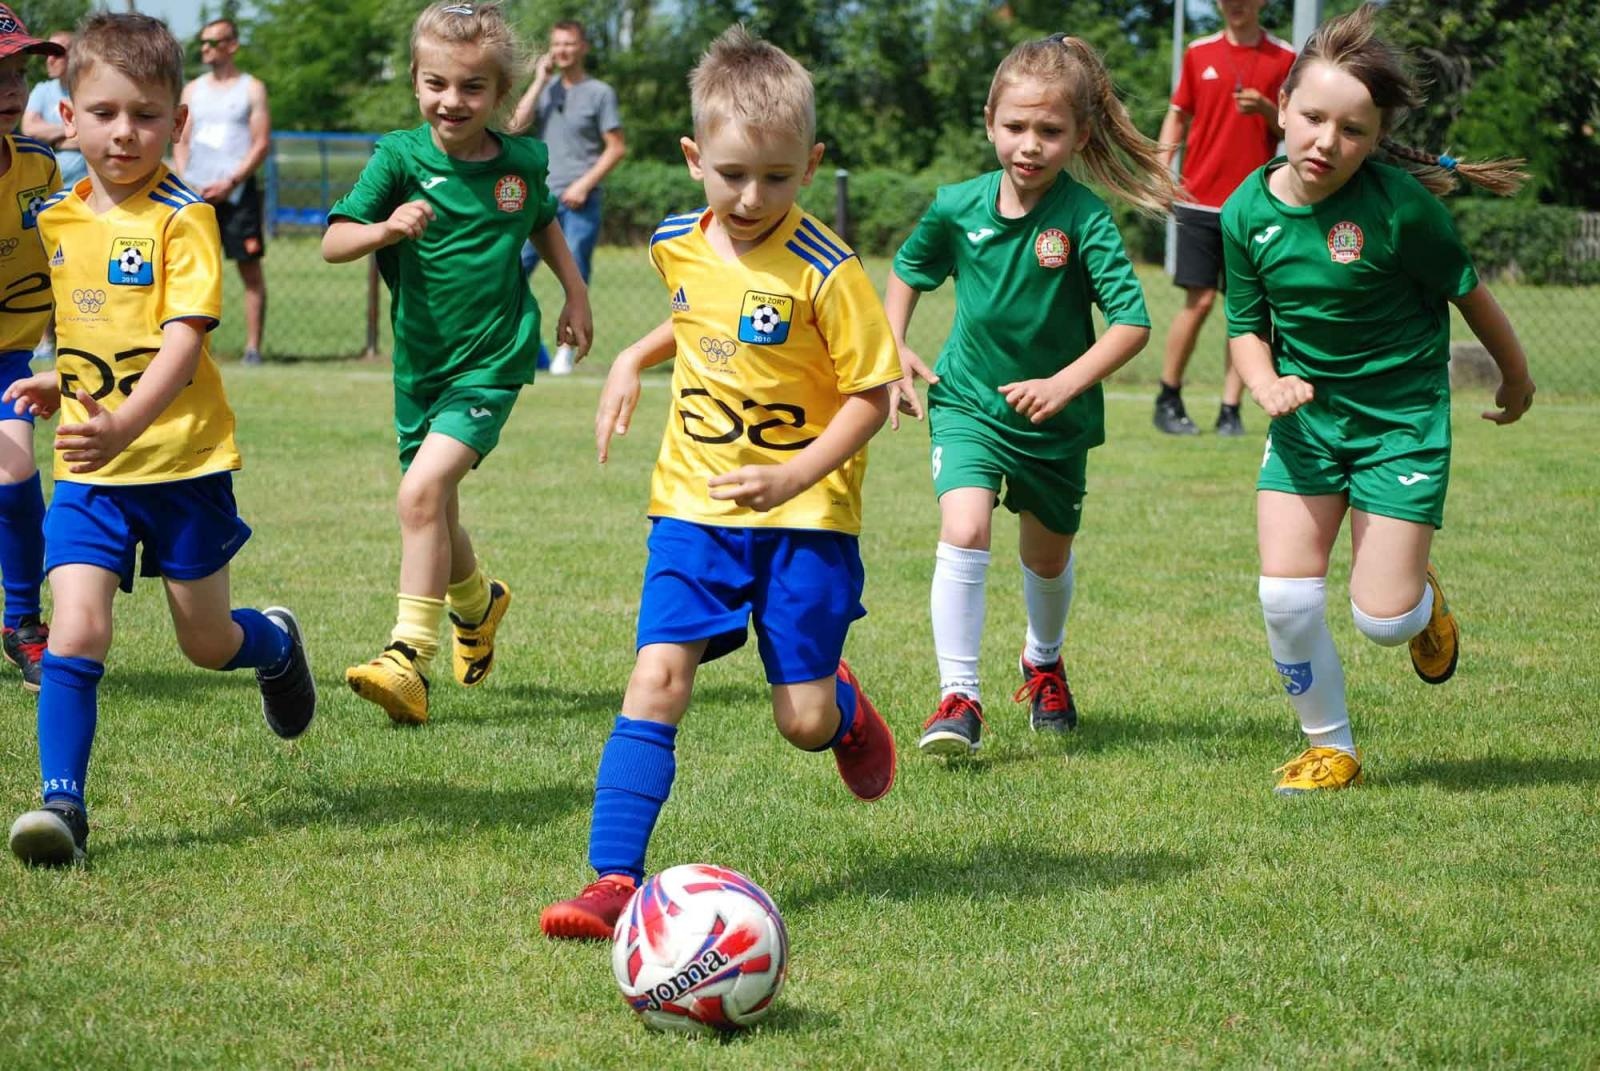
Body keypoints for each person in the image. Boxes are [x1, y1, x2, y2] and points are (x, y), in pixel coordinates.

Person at [539, 25, 900, 941]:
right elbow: (702, 318)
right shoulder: (676, 242)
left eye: (777, 178)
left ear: (811, 164)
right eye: (732, 174)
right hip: (693, 503)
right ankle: (613, 879)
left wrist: (795, 472)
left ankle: (843, 709)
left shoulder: (829, 271)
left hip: (807, 514)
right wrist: (632, 356)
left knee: (800, 720)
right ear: (694, 157)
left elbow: (873, 393)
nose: (751, 198)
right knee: (657, 673)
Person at [4, 12, 317, 867]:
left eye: (145, 115)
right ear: (67, 117)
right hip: (91, 471)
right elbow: (87, 328)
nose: (124, 132)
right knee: (75, 632)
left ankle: (276, 644)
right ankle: (62, 806)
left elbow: (181, 345)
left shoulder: (185, 218)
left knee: (206, 643)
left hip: (182, 464)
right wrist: (61, 381)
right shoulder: (58, 216)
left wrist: (123, 422)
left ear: (177, 122)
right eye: (104, 113)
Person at [1222, 4, 1534, 795]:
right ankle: (1332, 749)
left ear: (1375, 139)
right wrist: (1264, 382)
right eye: (1314, 118)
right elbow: (1245, 326)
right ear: (1282, 107)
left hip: (1400, 425)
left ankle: (1423, 600)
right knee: (1284, 596)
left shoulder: (1401, 208)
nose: (1327, 141)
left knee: (1383, 619)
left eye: (1352, 130)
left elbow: (1471, 295)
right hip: (1306, 424)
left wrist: (1516, 375)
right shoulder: (1244, 212)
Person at [887, 34, 1177, 757]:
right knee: (964, 529)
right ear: (990, 122)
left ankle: (1043, 660)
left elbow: (1133, 323)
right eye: (1015, 126)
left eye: (1049, 130)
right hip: (969, 404)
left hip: (1055, 421)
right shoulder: (956, 206)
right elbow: (908, 271)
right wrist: (893, 347)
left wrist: (1063, 384)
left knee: (1046, 560)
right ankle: (959, 696)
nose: (1030, 145)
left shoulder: (1084, 219)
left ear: (1080, 136)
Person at [322, 1, 591, 726]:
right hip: (421, 368)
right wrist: (385, 227)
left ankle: (407, 656)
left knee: (419, 495)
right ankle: (477, 602)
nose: (452, 100)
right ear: (415, 80)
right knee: (435, 506)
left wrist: (575, 292)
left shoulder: (519, 164)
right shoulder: (398, 158)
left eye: (473, 87)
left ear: (500, 93)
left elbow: (542, 220)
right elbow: (334, 242)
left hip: (491, 363)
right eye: (436, 83)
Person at [1154, 0, 1294, 437]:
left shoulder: (1285, 57)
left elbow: (1296, 126)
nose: (1235, 4)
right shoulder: (1199, 52)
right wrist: (1161, 172)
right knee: (1199, 302)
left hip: (1255, 206)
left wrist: (1267, 110)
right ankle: (1168, 397)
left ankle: (1230, 409)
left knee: (1246, 310)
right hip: (1197, 201)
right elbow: (1177, 116)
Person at [0, 9, 64, 692]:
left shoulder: (39, 167)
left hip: (7, 360)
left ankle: (22, 623)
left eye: (17, 72)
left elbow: (65, 261)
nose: (12, 88)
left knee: (15, 475)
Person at [507, 19, 624, 375]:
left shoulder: (600, 93)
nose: (562, 50)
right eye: (557, 44)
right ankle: (524, 348)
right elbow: (513, 127)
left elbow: (616, 148)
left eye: (569, 43)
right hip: (539, 201)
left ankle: (565, 353)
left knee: (575, 277)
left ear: (583, 47)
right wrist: (539, 81)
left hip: (580, 203)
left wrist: (584, 185)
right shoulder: (545, 90)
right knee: (511, 269)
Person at [174, 18, 271, 366]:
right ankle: (193, 350)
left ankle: (252, 349)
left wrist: (230, 182)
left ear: (232, 46)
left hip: (237, 195)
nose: (206, 49)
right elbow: (180, 140)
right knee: (193, 272)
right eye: (203, 42)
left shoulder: (252, 88)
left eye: (214, 42)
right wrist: (188, 181)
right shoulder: (192, 91)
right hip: (197, 195)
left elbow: (261, 143)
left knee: (250, 271)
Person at [22, 30, 85, 186]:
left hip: (88, 189)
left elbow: (101, 137)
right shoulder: (42, 90)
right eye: (48, 55)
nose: (50, 60)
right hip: (51, 188)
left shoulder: (90, 91)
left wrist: (51, 141)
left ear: (76, 55)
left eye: (57, 53)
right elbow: (29, 129)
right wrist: (74, 129)